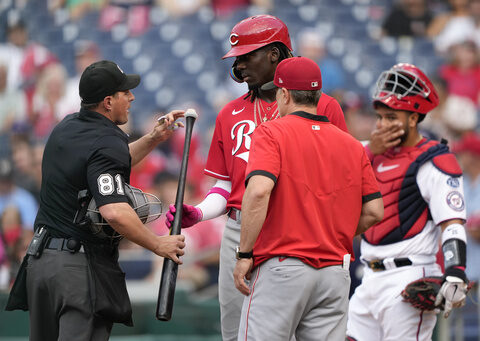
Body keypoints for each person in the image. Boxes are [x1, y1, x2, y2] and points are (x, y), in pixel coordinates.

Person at [165, 14, 349, 340]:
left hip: (298, 231)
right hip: (239, 231)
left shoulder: (326, 107)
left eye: (247, 56)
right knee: (237, 333)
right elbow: (226, 187)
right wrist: (199, 212)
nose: (239, 65)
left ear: (274, 54)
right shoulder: (229, 113)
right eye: (237, 58)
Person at [5, 60, 186, 341]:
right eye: (125, 92)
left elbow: (106, 159)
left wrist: (153, 138)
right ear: (108, 101)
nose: (132, 97)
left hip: (41, 267)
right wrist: (158, 243)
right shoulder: (107, 140)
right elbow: (114, 211)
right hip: (77, 271)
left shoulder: (65, 128)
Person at [231, 56, 384, 340]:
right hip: (334, 272)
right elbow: (375, 211)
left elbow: (259, 190)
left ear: (285, 94)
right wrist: (327, 230)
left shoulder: (271, 131)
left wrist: (244, 253)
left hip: (283, 265)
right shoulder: (351, 145)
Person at [347, 63, 470, 341]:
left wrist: (455, 272)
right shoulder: (370, 152)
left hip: (410, 277)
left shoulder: (435, 159)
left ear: (413, 118)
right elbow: (334, 186)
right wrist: (369, 152)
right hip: (368, 276)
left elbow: (452, 222)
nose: (382, 125)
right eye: (380, 117)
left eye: (391, 117)